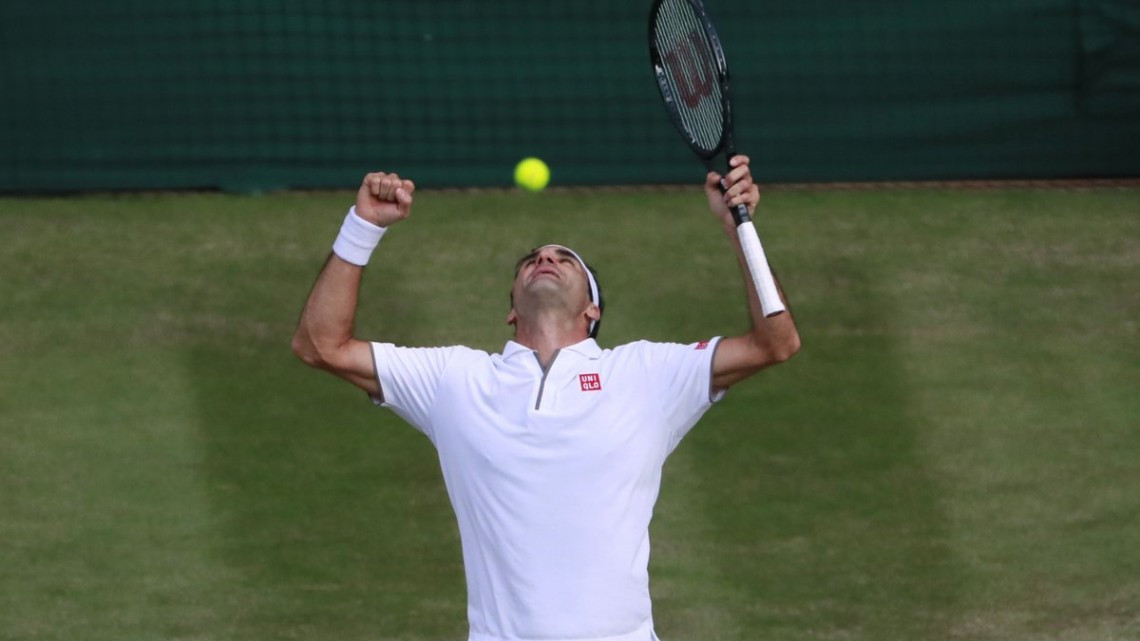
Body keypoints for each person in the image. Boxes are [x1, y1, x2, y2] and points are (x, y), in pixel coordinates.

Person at [292, 155, 800, 641]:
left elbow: (775, 343)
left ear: (593, 310)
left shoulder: (647, 374)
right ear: (511, 311)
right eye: (532, 260)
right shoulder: (454, 380)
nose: (545, 259)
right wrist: (363, 225)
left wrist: (740, 228)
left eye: (564, 259)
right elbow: (319, 345)